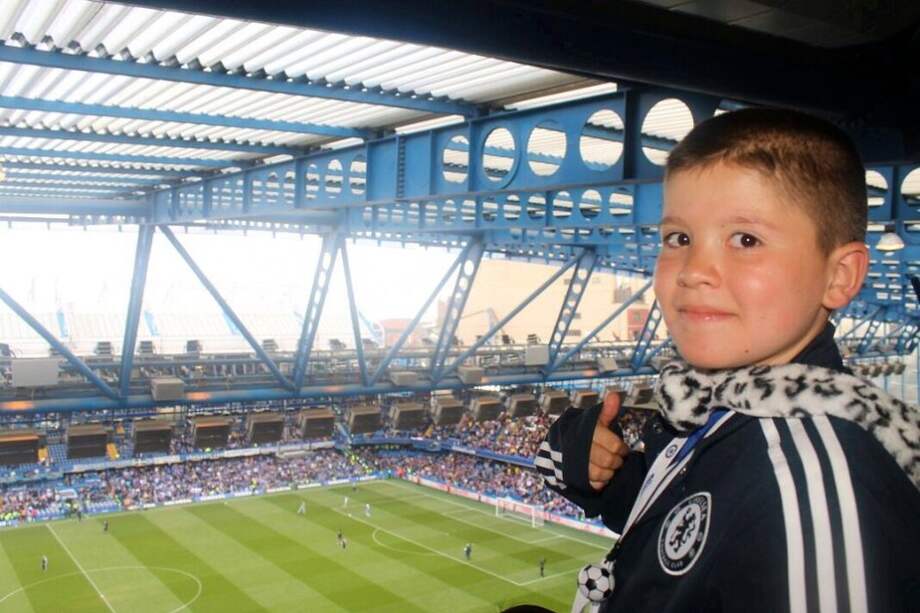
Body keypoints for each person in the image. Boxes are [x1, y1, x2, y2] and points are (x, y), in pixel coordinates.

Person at [537, 108, 920, 613]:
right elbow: (700, 531)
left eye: (746, 240)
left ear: (840, 276)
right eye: (679, 238)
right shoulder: (716, 408)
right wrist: (597, 474)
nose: (694, 270)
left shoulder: (810, 494)